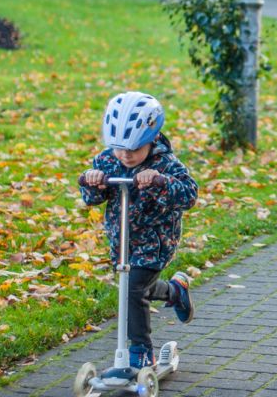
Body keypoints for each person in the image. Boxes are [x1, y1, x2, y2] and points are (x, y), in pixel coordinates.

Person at [79, 91, 198, 369]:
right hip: (122, 242)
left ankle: (142, 352)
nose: (125, 155)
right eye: (120, 148)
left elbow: (189, 195)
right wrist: (93, 182)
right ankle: (175, 291)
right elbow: (91, 198)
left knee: (132, 290)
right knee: (134, 288)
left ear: (152, 138)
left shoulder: (166, 163)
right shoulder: (108, 160)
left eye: (133, 149)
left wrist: (160, 181)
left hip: (155, 242)